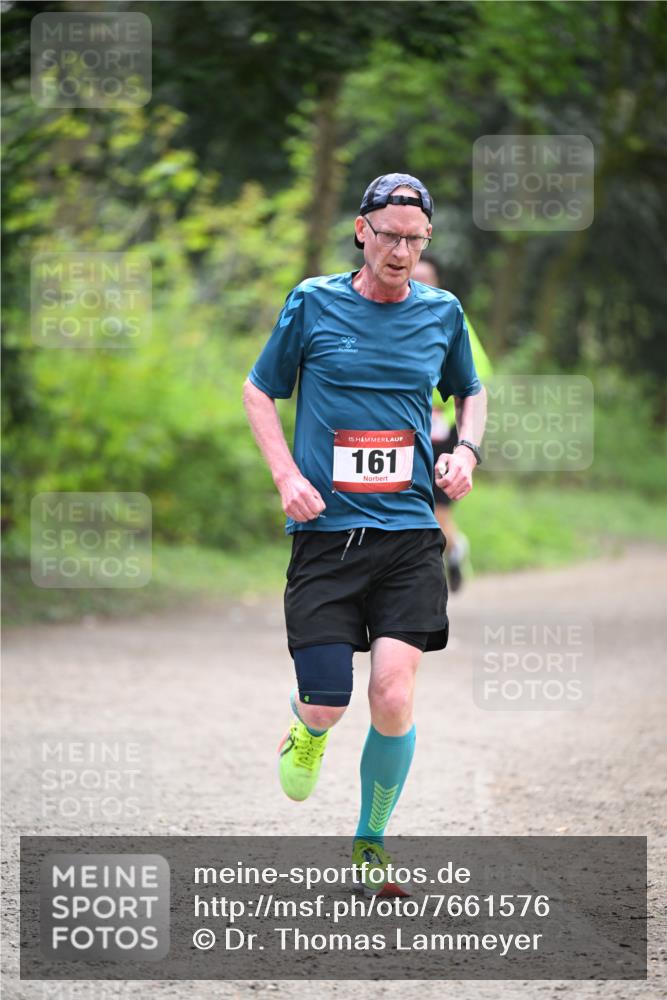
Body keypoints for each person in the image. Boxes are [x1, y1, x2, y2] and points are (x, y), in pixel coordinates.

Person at [243, 173, 486, 895]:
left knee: (391, 692)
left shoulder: (441, 313)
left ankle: (371, 843)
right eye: (389, 237)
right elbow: (260, 389)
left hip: (409, 535)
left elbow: (469, 389)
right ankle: (307, 729)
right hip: (325, 533)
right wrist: (286, 475)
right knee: (327, 700)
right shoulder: (312, 302)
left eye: (415, 240)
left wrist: (464, 452)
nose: (401, 251)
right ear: (360, 231)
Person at [413, 258, 493, 592]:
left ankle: (450, 552)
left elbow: (478, 378)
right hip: (406, 433)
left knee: (435, 510)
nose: (416, 285)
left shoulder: (449, 315)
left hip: (446, 434)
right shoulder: (390, 316)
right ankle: (450, 550)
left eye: (423, 279)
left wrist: (439, 405)